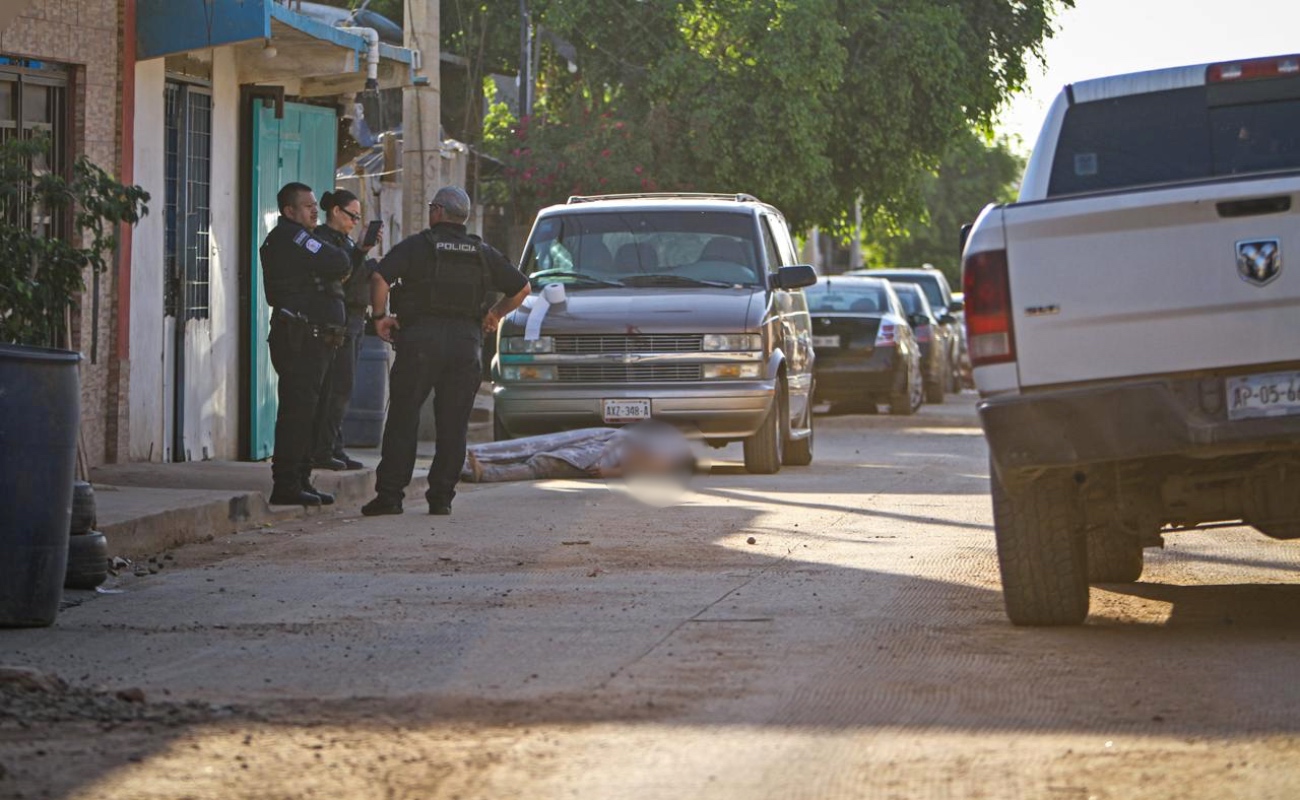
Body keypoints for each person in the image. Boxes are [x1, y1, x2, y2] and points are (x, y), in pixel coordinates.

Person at [360, 186, 531, 516]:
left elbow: (380, 277)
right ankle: (441, 498)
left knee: (404, 417)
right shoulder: (482, 252)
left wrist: (380, 318)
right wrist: (494, 314)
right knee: (453, 424)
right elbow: (522, 287)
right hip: (465, 344)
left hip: (420, 340)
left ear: (437, 211)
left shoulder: (418, 246)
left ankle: (391, 496)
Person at [260, 182, 352, 507]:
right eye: (308, 206)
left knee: (310, 412)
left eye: (315, 205)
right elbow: (338, 261)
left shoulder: (301, 237)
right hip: (299, 338)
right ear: (289, 211)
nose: (315, 210)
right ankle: (286, 483)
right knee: (297, 413)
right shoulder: (294, 237)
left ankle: (299, 480)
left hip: (314, 339)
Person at [310, 189, 380, 471]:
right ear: (336, 211)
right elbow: (343, 276)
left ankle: (334, 447)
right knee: (335, 388)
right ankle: (323, 450)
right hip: (338, 320)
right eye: (352, 215)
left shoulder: (344, 241)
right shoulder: (322, 242)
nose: (355, 222)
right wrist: (361, 253)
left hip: (354, 319)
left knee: (342, 389)